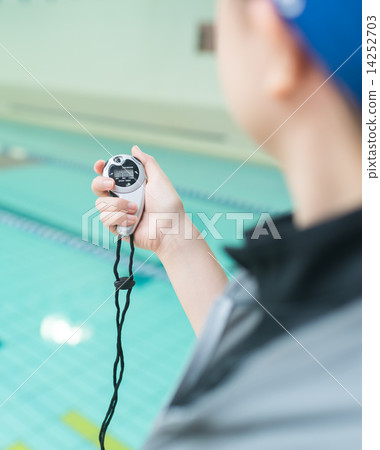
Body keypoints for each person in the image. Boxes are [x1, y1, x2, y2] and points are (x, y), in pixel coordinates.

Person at [91, 0, 362, 448]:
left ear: (279, 47)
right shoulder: (320, 272)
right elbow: (269, 357)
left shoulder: (229, 429)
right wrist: (174, 239)